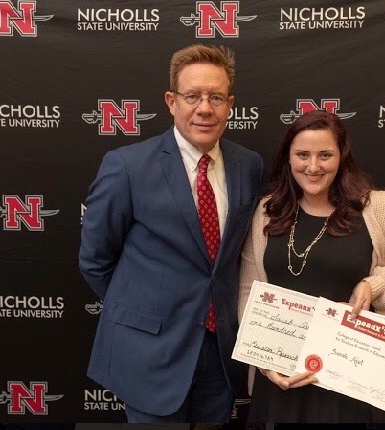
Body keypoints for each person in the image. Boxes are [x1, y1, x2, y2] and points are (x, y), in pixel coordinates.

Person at [79, 44, 264, 424]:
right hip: (150, 353)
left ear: (229, 104)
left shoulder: (249, 165)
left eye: (215, 97)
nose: (204, 108)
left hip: (220, 352)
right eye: (192, 96)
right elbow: (96, 261)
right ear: (171, 101)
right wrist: (144, 310)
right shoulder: (127, 166)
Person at [238, 110, 385, 423]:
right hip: (283, 377)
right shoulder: (267, 211)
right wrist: (261, 358)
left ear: (341, 157)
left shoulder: (377, 208)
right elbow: (248, 289)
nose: (313, 167)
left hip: (353, 379)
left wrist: (375, 285)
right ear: (288, 159)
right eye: (302, 155)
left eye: (325, 155)